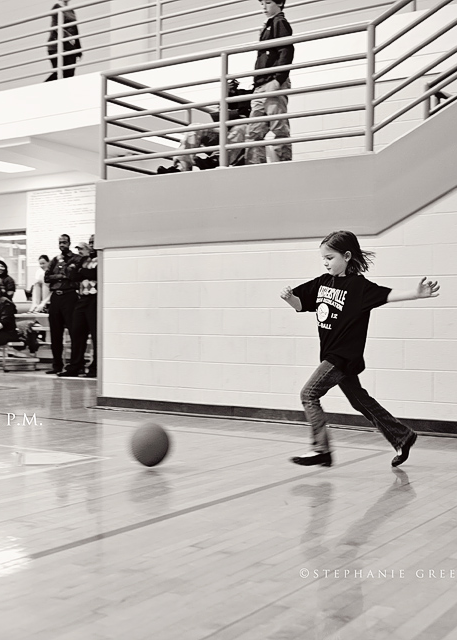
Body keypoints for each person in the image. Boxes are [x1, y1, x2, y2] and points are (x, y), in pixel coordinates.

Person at [280, 231, 439, 468]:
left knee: (308, 394)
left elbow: (388, 295)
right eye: (323, 258)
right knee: (359, 401)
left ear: (346, 256)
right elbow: (302, 304)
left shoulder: (359, 287)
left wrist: (416, 293)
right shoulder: (322, 282)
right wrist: (289, 298)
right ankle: (402, 436)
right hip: (332, 355)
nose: (325, 262)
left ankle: (321, 449)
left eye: (330, 257)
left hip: (342, 357)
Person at [157, 80, 254, 173]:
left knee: (242, 126)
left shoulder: (258, 96)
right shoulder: (240, 94)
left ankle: (216, 160)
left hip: (246, 138)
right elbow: (222, 115)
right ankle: (180, 168)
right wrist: (227, 94)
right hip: (227, 134)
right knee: (195, 128)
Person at [245, 0, 294, 165]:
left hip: (272, 82)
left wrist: (278, 79)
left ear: (279, 3)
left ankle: (284, 164)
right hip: (261, 84)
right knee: (253, 131)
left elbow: (286, 50)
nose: (264, 7)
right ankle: (254, 167)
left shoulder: (279, 22)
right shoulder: (269, 24)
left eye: (268, 2)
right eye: (262, 4)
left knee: (278, 127)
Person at [59, 236, 97, 377]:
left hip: (95, 298)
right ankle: (76, 365)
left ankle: (95, 367)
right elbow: (72, 276)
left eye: (94, 242)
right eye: (91, 242)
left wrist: (81, 272)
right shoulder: (84, 260)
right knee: (77, 332)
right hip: (82, 298)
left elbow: (94, 273)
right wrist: (81, 271)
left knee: (95, 334)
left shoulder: (102, 258)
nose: (92, 245)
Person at [44, 234, 80, 374]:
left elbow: (72, 276)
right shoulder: (54, 260)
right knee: (55, 333)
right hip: (56, 297)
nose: (62, 245)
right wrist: (61, 276)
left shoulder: (76, 259)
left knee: (73, 331)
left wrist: (62, 275)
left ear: (69, 243)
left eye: (64, 242)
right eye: (60, 242)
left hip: (69, 296)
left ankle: (75, 364)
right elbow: (47, 278)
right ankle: (56, 365)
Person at [45, 0, 82, 82]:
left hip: (70, 47)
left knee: (69, 74)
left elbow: (75, 30)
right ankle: (41, 88)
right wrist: (68, 37)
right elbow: (56, 27)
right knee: (59, 73)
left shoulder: (71, 11)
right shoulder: (56, 7)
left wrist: (79, 49)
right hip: (56, 46)